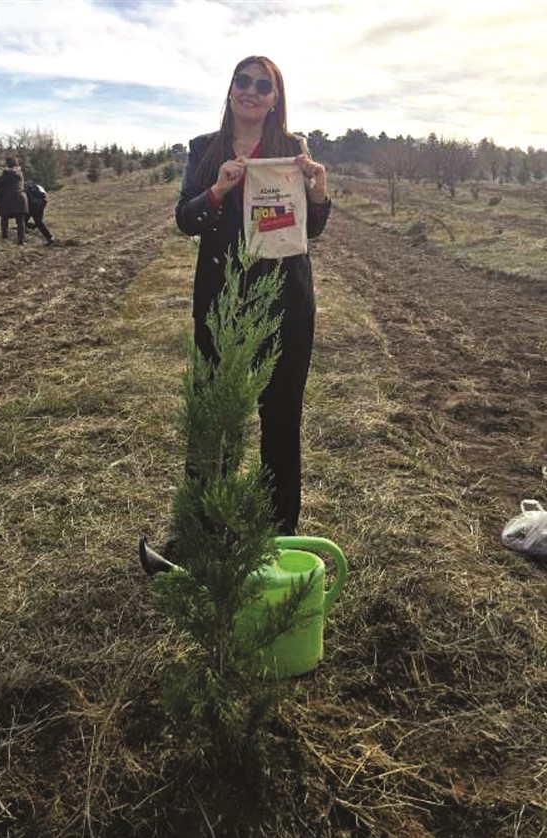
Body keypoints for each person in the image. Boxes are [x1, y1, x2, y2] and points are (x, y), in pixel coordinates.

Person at [175, 55, 331, 537]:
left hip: (287, 300)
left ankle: (278, 530)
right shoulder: (203, 149)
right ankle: (201, 527)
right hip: (223, 301)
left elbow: (312, 230)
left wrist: (319, 193)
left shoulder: (292, 148)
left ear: (275, 98)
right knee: (213, 413)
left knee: (281, 416)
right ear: (230, 90)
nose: (251, 90)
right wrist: (218, 191)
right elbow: (186, 220)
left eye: (263, 85)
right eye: (242, 81)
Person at [0, 156, 29, 245]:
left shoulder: (8, 174)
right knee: (20, 221)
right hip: (21, 199)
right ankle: (21, 240)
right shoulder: (20, 172)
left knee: (4, 217)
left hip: (9, 200)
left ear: (7, 164)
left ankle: (4, 235)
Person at [25, 181, 55, 245]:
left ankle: (22, 239)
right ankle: (50, 238)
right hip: (42, 202)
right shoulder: (36, 186)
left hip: (32, 205)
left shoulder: (22, 187)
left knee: (22, 221)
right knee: (38, 222)